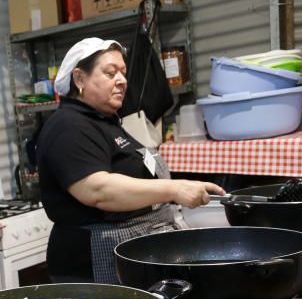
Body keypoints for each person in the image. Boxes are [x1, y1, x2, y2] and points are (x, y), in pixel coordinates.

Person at [36, 37, 226, 283]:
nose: (122, 80)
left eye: (123, 73)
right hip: (95, 261)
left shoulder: (105, 121)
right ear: (80, 79)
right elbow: (98, 190)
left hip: (130, 249)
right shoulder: (69, 126)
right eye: (110, 72)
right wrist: (175, 188)